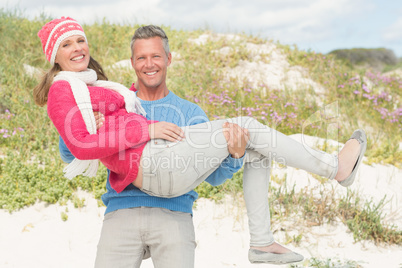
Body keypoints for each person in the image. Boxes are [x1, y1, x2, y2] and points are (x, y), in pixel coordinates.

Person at [34, 18, 367, 266]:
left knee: (252, 145)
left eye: (80, 40)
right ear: (133, 64)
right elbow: (77, 147)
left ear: (168, 59)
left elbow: (215, 177)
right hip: (132, 197)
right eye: (66, 44)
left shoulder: (116, 94)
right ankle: (334, 168)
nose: (77, 48)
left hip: (171, 202)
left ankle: (262, 242)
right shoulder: (76, 91)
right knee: (248, 124)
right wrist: (145, 131)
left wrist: (235, 154)